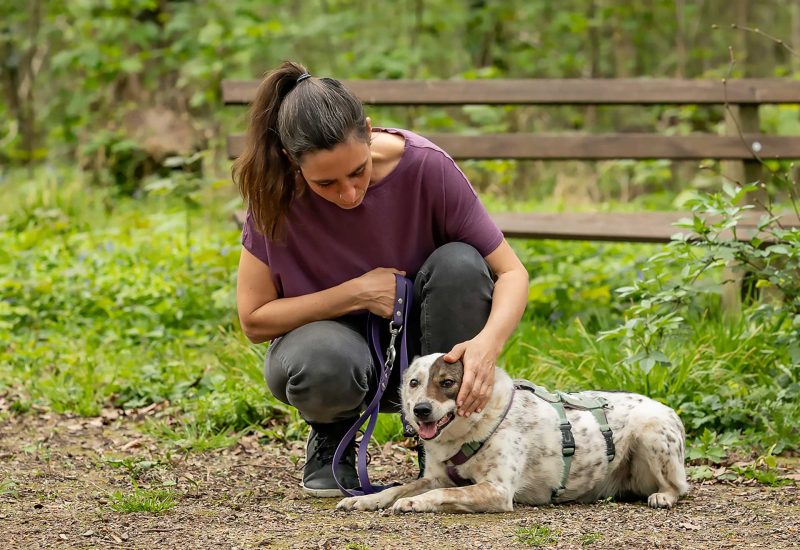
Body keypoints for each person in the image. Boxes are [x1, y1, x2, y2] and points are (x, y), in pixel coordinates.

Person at [234, 61, 529, 497]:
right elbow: (254, 319)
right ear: (289, 161)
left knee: (463, 264)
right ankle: (332, 437)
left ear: (369, 131)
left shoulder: (426, 167)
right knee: (322, 356)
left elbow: (512, 272)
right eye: (326, 183)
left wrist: (488, 345)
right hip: (334, 363)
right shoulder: (273, 197)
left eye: (357, 172)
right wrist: (355, 294)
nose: (349, 193)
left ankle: (444, 435)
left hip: (422, 353)